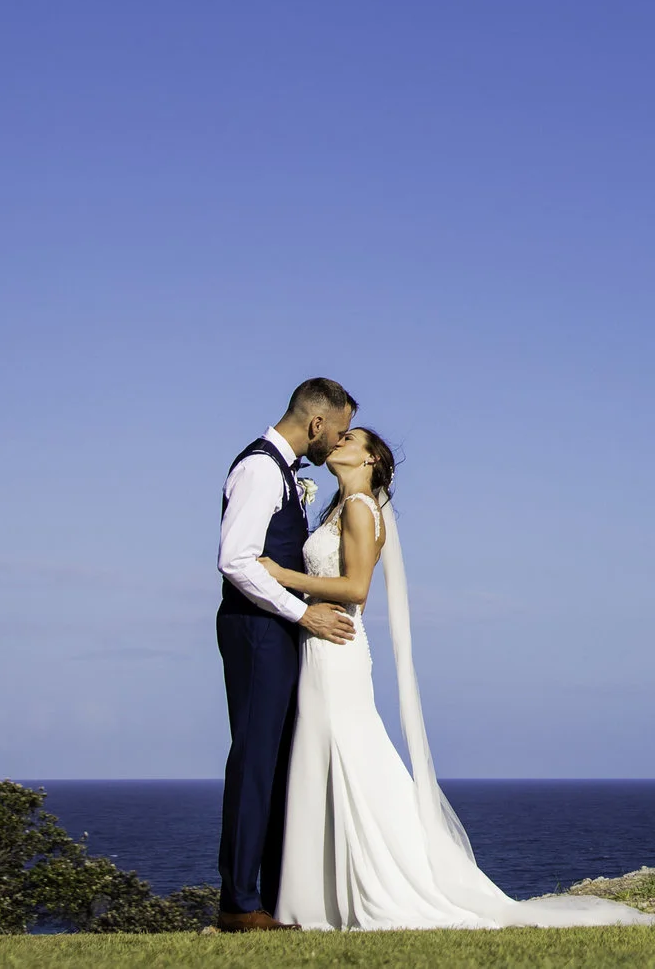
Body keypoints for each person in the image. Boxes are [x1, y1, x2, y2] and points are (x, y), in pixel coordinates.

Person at [259, 426, 655, 931]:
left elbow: (356, 588)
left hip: (337, 645)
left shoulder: (360, 508)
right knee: (324, 752)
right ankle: (317, 898)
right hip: (321, 647)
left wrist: (279, 574)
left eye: (351, 439)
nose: (338, 442)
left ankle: (381, 882)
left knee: (347, 750)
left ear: (369, 461)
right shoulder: (340, 509)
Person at [213, 376, 359, 931]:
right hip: (255, 630)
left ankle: (265, 898)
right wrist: (303, 613)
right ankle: (238, 903)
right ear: (316, 423)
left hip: (275, 630)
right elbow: (237, 560)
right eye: (338, 431)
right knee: (254, 759)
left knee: (275, 761)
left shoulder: (285, 473)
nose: (337, 443)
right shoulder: (257, 469)